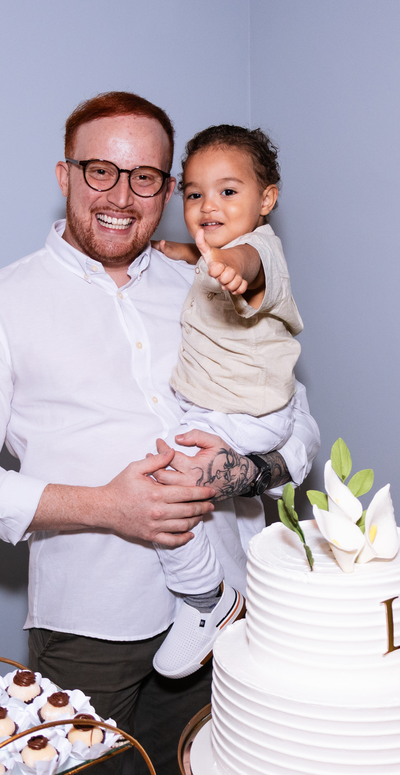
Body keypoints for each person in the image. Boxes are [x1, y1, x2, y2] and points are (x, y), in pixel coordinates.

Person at [0, 91, 319, 774]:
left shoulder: (208, 279)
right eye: (100, 170)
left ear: (168, 187)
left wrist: (243, 473)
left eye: (145, 178)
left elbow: (296, 421)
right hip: (90, 624)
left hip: (232, 609)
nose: (122, 196)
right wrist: (108, 506)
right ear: (65, 175)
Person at [148, 125, 304, 679]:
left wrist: (232, 268)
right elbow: (214, 252)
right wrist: (183, 250)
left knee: (167, 485)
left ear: (267, 199)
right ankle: (252, 597)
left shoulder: (258, 252)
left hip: (246, 415)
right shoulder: (213, 252)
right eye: (194, 194)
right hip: (224, 409)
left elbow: (247, 260)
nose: (208, 204)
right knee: (230, 518)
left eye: (228, 191)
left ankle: (206, 599)